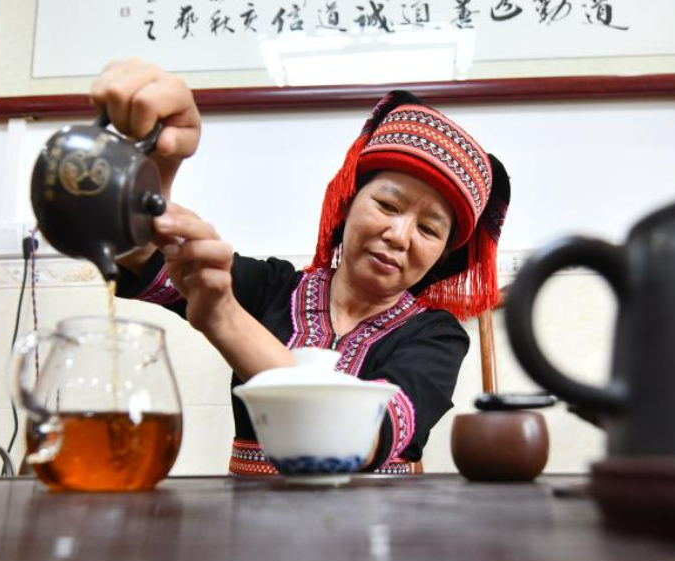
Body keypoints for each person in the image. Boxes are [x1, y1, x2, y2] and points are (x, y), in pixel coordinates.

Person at [92, 59, 511, 476]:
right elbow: (140, 257)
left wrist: (226, 319)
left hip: (378, 534)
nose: (399, 236)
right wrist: (153, 168)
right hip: (250, 525)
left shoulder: (436, 336)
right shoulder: (272, 287)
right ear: (347, 205)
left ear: (440, 255)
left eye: (428, 229)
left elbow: (357, 437)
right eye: (387, 204)